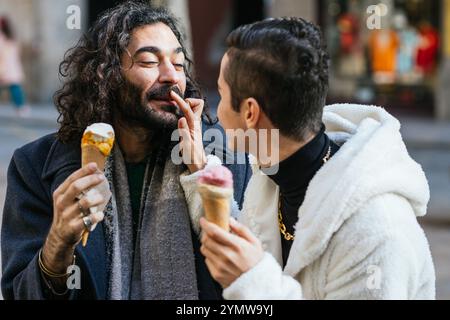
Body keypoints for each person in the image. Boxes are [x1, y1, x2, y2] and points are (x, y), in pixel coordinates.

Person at [1, 1, 250, 300]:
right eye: (148, 62)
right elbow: (20, 294)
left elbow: (249, 279)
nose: (171, 76)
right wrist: (57, 245)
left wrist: (201, 172)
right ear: (107, 76)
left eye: (179, 64)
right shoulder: (34, 166)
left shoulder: (225, 158)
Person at [180, 17, 435, 299]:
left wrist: (253, 282)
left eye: (223, 95)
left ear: (250, 113)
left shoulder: (376, 232)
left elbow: (256, 273)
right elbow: (248, 251)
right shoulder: (271, 178)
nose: (216, 110)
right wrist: (201, 168)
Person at [0, 16, 31, 117]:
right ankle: (21, 108)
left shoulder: (2, 37)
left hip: (4, 66)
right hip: (12, 66)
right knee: (15, 88)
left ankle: (21, 107)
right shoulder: (12, 36)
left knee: (15, 88)